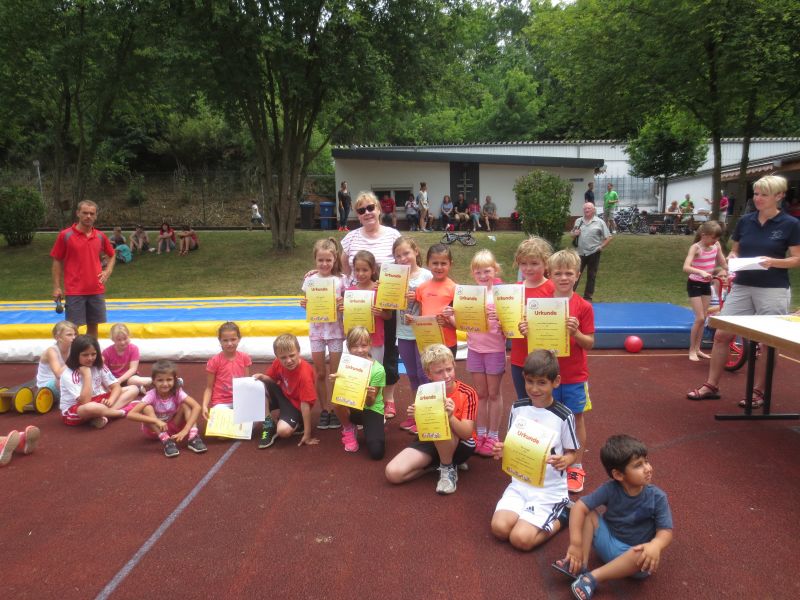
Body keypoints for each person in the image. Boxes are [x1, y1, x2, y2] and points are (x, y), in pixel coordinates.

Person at [687, 175, 800, 405]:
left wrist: (773, 262)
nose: (757, 198)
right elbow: (735, 251)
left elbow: (796, 258)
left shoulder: (790, 224)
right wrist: (731, 257)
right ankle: (711, 385)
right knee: (722, 335)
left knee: (768, 342)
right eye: (756, 193)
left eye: (764, 194)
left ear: (779, 196)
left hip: (773, 288)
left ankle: (758, 392)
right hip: (742, 286)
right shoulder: (746, 221)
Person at [554, 434, 673, 600]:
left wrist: (656, 545)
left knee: (642, 553)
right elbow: (579, 506)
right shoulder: (610, 489)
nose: (647, 468)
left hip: (633, 557)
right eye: (638, 465)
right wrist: (575, 544)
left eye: (646, 461)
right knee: (587, 512)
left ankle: (593, 578)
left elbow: (666, 531)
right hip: (609, 541)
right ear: (618, 475)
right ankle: (580, 564)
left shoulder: (657, 497)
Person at [490, 350, 577, 550]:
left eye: (542, 382)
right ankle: (527, 517)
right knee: (499, 529)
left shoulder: (564, 416)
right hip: (520, 484)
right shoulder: (518, 408)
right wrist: (502, 450)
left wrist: (565, 460)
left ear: (556, 382)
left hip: (548, 490)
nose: (534, 388)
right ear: (524, 378)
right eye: (530, 381)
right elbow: (512, 443)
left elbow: (572, 452)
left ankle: (564, 515)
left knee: (520, 539)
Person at [385, 344, 478, 495]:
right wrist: (418, 417)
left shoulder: (467, 393)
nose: (446, 375)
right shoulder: (425, 392)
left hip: (461, 443)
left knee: (441, 425)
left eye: (449, 369)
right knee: (393, 473)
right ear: (428, 374)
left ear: (454, 366)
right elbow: (425, 430)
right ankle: (435, 467)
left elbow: (467, 434)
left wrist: (450, 417)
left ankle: (447, 469)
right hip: (432, 439)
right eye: (439, 372)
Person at [341, 192, 402, 419]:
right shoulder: (350, 238)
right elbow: (343, 270)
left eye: (370, 208)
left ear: (378, 209)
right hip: (356, 301)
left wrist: (386, 288)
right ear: (357, 215)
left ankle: (387, 399)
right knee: (358, 348)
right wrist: (317, 275)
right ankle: (357, 397)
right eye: (361, 210)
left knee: (387, 350)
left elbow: (403, 263)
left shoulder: (393, 235)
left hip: (385, 301)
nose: (366, 213)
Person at [547, 250, 595, 494]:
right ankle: (552, 459)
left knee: (576, 418)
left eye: (569, 273)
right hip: (548, 375)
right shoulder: (541, 304)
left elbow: (590, 343)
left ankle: (576, 465)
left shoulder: (583, 306)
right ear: (550, 275)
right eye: (558, 273)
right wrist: (526, 328)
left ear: (577, 275)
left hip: (574, 374)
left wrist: (575, 333)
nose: (563, 277)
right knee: (550, 417)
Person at [459, 250, 505, 458]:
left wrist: (501, 317)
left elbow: (510, 325)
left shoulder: (502, 294)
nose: (483, 275)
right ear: (473, 273)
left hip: (494, 350)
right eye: (478, 272)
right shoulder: (470, 294)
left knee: (494, 393)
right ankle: (480, 432)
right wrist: (452, 315)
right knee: (481, 393)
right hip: (475, 349)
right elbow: (462, 323)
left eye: (487, 271)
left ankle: (493, 435)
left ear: (495, 270)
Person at [50, 200, 116, 339]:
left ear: (96, 216)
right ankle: (73, 352)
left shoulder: (100, 236)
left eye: (92, 213)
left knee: (93, 327)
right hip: (74, 290)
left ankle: (90, 352)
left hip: (96, 289)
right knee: (72, 329)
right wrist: (56, 287)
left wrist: (108, 271)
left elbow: (112, 254)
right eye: (85, 213)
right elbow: (57, 261)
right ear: (78, 213)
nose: (88, 216)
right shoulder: (65, 235)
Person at [300, 238, 346, 430]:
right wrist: (305, 305)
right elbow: (308, 303)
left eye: (328, 260)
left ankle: (336, 408)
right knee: (320, 373)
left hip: (335, 332)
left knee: (335, 373)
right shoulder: (309, 280)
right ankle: (325, 409)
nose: (324, 264)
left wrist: (342, 304)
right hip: (317, 332)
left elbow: (347, 303)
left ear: (335, 259)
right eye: (321, 260)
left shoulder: (341, 280)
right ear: (315, 260)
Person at [126, 360, 207, 457]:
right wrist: (156, 420)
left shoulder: (177, 392)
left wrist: (185, 430)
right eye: (160, 380)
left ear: (175, 380)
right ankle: (166, 440)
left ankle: (193, 436)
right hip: (154, 430)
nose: (165, 384)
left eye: (169, 380)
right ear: (154, 381)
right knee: (147, 408)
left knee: (185, 404)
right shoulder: (151, 395)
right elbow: (130, 414)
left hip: (172, 426)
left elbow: (197, 407)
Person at [393, 236, 432, 431]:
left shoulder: (427, 275)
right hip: (403, 332)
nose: (403, 258)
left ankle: (427, 417)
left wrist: (418, 297)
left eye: (406, 253)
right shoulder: (395, 275)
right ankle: (417, 414)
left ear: (416, 251)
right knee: (412, 375)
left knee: (424, 375)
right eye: (398, 256)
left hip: (423, 332)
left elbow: (435, 301)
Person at [253, 334, 319, 448]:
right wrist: (262, 377)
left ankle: (299, 423)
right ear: (277, 356)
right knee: (257, 384)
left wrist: (307, 435)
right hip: (283, 395)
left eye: (292, 355)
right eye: (283, 357)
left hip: (296, 405)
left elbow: (305, 405)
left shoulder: (304, 375)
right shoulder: (278, 363)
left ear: (299, 351)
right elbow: (271, 380)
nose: (288, 361)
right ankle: (268, 423)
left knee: (283, 431)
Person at [59, 334, 139, 428]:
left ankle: (103, 415)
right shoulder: (68, 374)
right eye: (85, 355)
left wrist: (110, 401)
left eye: (93, 354)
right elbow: (85, 401)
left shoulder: (99, 366)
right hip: (76, 409)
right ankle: (121, 412)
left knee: (133, 389)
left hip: (98, 401)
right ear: (75, 355)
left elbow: (116, 387)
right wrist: (87, 375)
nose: (90, 358)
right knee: (90, 407)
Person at [329, 326, 386, 458]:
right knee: (336, 401)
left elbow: (371, 403)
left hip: (371, 409)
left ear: (370, 345)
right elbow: (340, 395)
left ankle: (374, 424)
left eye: (364, 345)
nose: (360, 350)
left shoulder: (378, 370)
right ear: (348, 347)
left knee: (377, 452)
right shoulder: (346, 365)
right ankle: (349, 428)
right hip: (352, 407)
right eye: (355, 346)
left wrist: (370, 395)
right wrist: (336, 383)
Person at [510, 236, 555, 402]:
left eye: (534, 263)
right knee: (524, 402)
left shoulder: (553, 289)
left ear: (546, 263)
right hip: (519, 358)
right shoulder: (514, 290)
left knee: (546, 404)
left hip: (545, 359)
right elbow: (508, 324)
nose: (528, 268)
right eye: (523, 263)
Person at [682, 221, 728, 362]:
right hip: (694, 284)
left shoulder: (716, 245)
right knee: (700, 318)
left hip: (706, 285)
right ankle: (691, 349)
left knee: (704, 317)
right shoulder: (696, 248)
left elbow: (723, 262)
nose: (716, 240)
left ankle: (698, 348)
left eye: (717, 238)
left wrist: (731, 268)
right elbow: (686, 267)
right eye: (713, 237)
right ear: (704, 235)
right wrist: (701, 272)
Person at [407, 244, 458, 358]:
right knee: (428, 370)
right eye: (435, 263)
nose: (439, 267)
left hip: (447, 343)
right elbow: (421, 315)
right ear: (428, 264)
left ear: (450, 264)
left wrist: (447, 324)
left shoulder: (455, 289)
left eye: (443, 263)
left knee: (446, 370)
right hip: (427, 342)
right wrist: (413, 320)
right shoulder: (422, 288)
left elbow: (460, 323)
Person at [344, 250, 391, 361]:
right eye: (357, 270)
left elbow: (389, 316)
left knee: (375, 369)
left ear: (373, 270)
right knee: (357, 369)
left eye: (365, 270)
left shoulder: (380, 290)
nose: (360, 274)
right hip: (355, 343)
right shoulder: (349, 292)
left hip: (375, 340)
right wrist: (343, 310)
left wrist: (380, 313)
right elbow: (346, 320)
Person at [202, 321, 252, 421]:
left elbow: (246, 383)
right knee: (221, 428)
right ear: (220, 341)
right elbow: (209, 387)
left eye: (233, 339)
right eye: (225, 340)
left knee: (252, 421)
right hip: (221, 402)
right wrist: (204, 406)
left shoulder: (245, 358)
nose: (229, 343)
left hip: (239, 400)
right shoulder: (214, 361)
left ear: (239, 339)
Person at [571, 202, 612, 303]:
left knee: (591, 276)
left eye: (589, 208)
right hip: (579, 253)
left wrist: (601, 247)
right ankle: (570, 295)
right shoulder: (578, 221)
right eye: (585, 208)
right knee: (575, 275)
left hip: (593, 253)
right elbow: (572, 235)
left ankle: (588, 297)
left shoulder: (600, 222)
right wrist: (574, 234)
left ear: (594, 210)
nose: (587, 210)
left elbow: (609, 237)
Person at [101, 323, 153, 390]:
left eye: (125, 339)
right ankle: (137, 388)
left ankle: (155, 381)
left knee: (137, 380)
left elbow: (133, 369)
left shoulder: (133, 348)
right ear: (113, 339)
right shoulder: (106, 352)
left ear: (129, 336)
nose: (122, 342)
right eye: (119, 340)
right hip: (113, 380)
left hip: (129, 377)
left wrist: (120, 380)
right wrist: (112, 382)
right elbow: (104, 371)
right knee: (105, 387)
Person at [36, 320, 77, 401]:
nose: (74, 337)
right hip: (47, 386)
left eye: (75, 334)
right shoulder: (52, 351)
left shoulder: (72, 348)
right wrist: (73, 357)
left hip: (63, 381)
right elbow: (58, 374)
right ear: (58, 337)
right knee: (62, 380)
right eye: (69, 335)